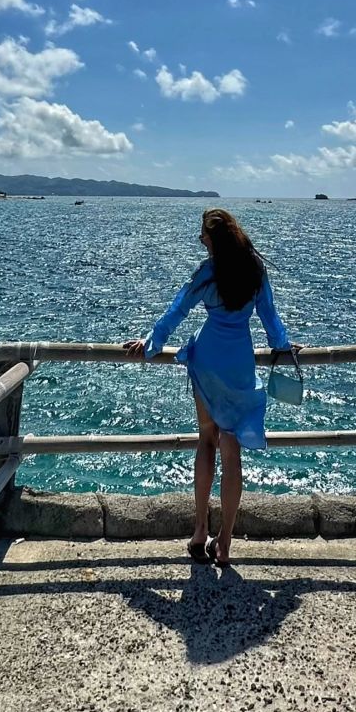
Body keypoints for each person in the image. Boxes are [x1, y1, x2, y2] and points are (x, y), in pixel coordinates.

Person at [124, 207, 298, 568]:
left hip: (206, 363)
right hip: (239, 366)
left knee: (206, 441)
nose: (200, 238)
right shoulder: (254, 270)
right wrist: (283, 346)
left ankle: (200, 529)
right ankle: (226, 541)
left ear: (213, 238)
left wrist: (151, 345)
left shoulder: (207, 273)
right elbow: (270, 318)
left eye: (202, 233)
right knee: (232, 452)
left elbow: (175, 312)